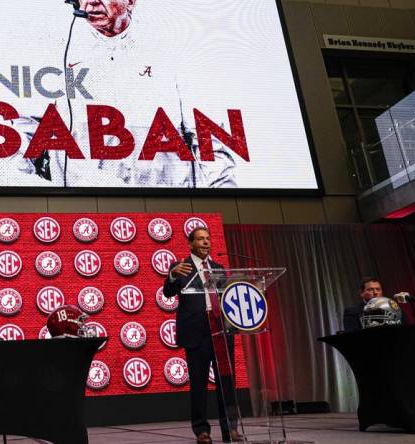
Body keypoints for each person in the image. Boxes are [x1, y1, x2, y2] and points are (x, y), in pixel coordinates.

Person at [12, 0, 237, 188]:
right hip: (84, 214)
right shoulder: (54, 52)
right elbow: (21, 132)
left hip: (170, 211)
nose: (91, 1)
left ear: (131, 1)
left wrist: (224, 199)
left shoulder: (171, 50)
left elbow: (209, 138)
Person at [163, 227, 243, 444]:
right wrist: (171, 275)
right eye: (200, 239)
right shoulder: (181, 268)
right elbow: (168, 293)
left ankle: (230, 429)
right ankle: (201, 431)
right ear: (190, 244)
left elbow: (229, 298)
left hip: (220, 331)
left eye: (208, 239)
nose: (206, 242)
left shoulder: (218, 268)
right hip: (196, 332)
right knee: (198, 383)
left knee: (227, 383)